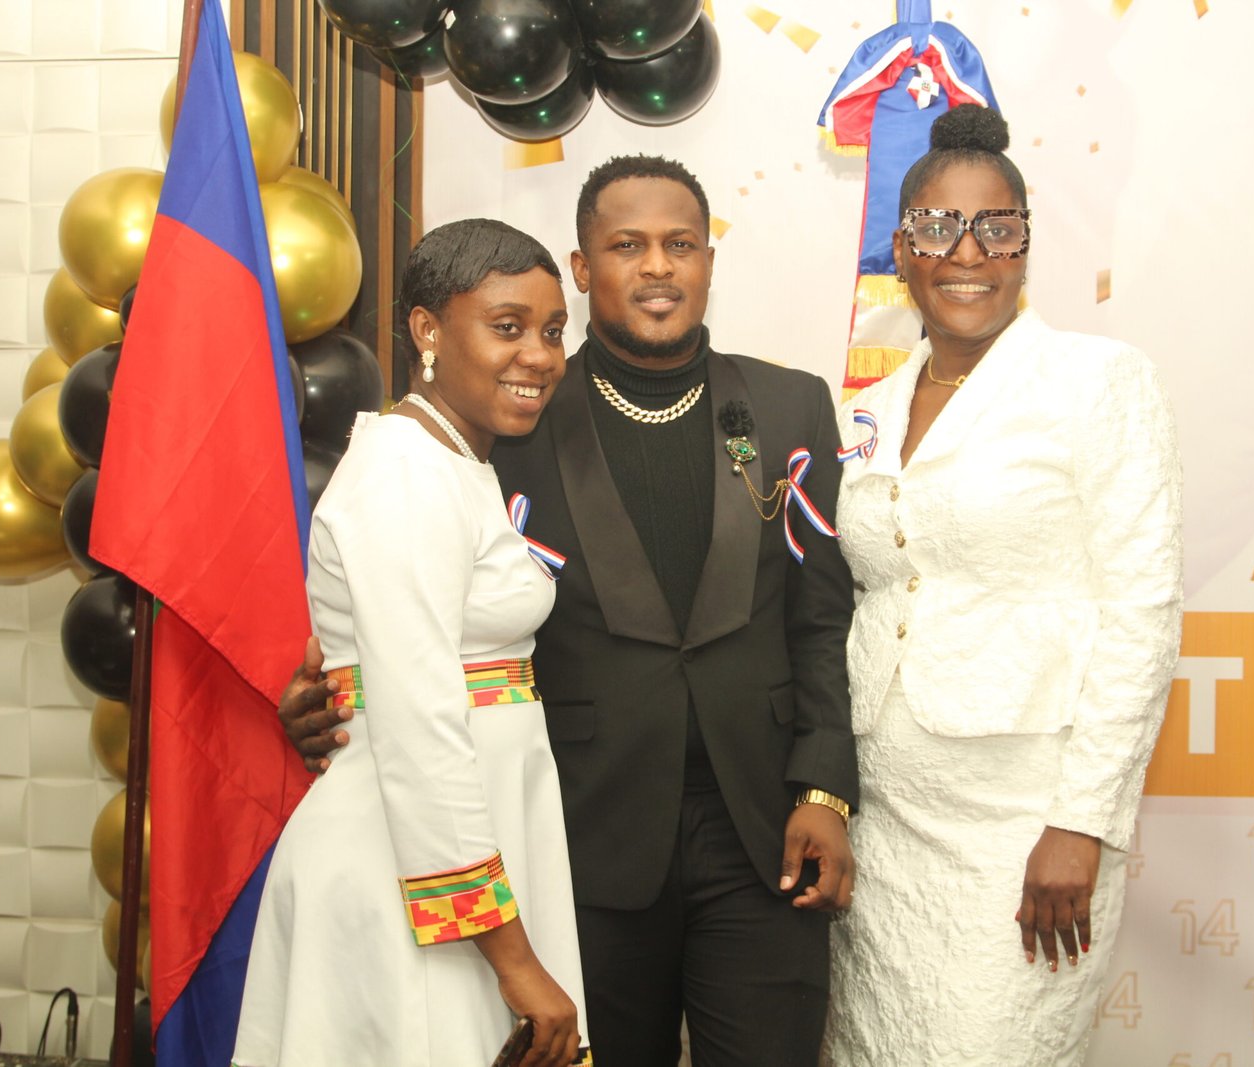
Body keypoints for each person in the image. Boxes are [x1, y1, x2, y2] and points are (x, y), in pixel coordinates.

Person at [278, 157, 859, 1067]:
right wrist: (341, 694)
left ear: (709, 260)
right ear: (584, 266)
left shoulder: (789, 406)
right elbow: (408, 632)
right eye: (627, 245)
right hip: (576, 835)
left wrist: (823, 786)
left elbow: (821, 615)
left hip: (762, 830)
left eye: (680, 244)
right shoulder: (510, 417)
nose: (657, 266)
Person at [823, 104, 1183, 1066]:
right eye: (938, 226)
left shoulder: (1097, 381)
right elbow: (863, 590)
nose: (967, 251)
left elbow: (1142, 612)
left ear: (1026, 246)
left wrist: (1082, 823)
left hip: (1027, 822)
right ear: (903, 250)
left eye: (996, 226)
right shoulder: (864, 411)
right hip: (884, 819)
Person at [233, 219, 591, 1067]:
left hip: (456, 871)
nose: (538, 355)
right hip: (409, 872)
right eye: (507, 326)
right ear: (428, 330)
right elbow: (421, 724)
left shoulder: (455, 461)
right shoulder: (403, 469)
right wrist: (514, 960)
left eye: (552, 331)